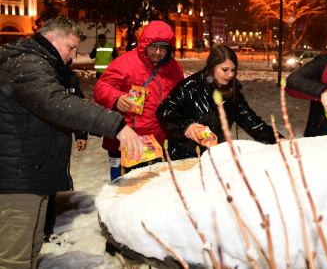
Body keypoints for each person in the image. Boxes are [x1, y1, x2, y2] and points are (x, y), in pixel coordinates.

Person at [0, 16, 143, 269]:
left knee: (30, 250)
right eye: (71, 47)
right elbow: (56, 103)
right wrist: (115, 125)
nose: (73, 55)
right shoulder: (27, 64)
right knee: (13, 258)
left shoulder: (45, 65)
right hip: (17, 179)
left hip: (32, 175)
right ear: (51, 38)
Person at [94, 21, 184, 181]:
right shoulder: (125, 63)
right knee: (123, 189)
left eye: (163, 48)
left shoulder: (174, 68)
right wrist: (116, 98)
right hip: (126, 141)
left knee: (151, 189)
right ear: (144, 45)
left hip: (157, 143)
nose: (158, 52)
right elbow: (101, 87)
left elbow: (180, 97)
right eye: (153, 47)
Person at [157, 45, 278, 160]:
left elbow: (252, 123)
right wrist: (187, 126)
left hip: (214, 156)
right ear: (212, 66)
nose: (230, 75)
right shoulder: (191, 86)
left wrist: (279, 141)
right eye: (225, 70)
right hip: (183, 156)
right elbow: (165, 110)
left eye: (233, 70)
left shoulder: (232, 93)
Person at [43, 59, 88, 242]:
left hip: (61, 139)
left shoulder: (69, 77)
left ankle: (47, 228)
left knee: (53, 183)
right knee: (38, 186)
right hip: (36, 141)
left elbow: (77, 106)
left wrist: (81, 134)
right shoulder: (38, 75)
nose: (72, 56)